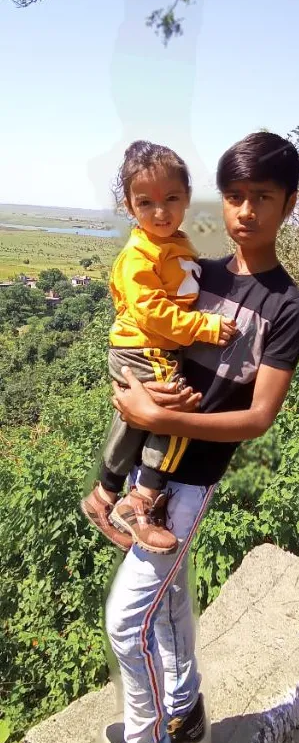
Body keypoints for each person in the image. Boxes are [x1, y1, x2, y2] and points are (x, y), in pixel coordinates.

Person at [104, 131, 299, 743]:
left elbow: (257, 419)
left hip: (192, 479)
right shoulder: (198, 273)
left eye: (263, 196)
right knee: (165, 601)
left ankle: (149, 740)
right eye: (235, 195)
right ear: (219, 200)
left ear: (289, 203)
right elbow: (138, 342)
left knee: (127, 622)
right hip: (149, 472)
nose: (246, 210)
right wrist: (127, 412)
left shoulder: (286, 307)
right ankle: (185, 708)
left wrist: (162, 421)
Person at [81, 140, 236, 554]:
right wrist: (203, 327)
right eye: (145, 202)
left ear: (187, 198)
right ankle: (142, 500)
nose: (160, 211)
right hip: (145, 347)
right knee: (176, 412)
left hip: (150, 348)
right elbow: (153, 313)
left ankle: (103, 497)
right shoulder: (139, 255)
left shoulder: (175, 243)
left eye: (171, 198)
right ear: (130, 207)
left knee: (139, 418)